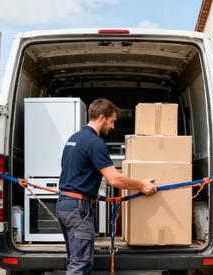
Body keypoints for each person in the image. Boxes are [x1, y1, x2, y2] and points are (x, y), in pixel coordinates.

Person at [57, 98, 158, 274]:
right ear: (102, 118)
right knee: (80, 265)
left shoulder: (73, 139)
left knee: (74, 260)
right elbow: (114, 179)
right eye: (112, 121)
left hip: (64, 206)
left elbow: (76, 173)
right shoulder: (95, 142)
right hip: (78, 209)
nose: (112, 127)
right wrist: (141, 184)